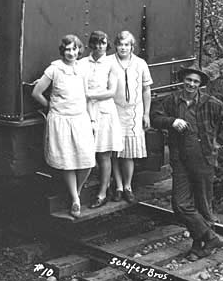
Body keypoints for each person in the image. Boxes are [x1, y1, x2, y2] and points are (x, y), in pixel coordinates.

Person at [151, 66, 223, 260]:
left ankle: (199, 247)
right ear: (183, 80)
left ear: (200, 85)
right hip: (181, 159)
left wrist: (219, 141)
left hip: (204, 158)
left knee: (203, 204)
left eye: (195, 82)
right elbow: (155, 117)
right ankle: (210, 237)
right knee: (180, 204)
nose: (191, 84)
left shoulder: (210, 102)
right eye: (189, 80)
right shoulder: (173, 100)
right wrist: (171, 121)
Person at [32, 34, 96, 219]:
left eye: (74, 49)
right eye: (67, 49)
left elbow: (87, 96)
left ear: (79, 50)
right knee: (68, 161)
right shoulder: (54, 69)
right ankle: (75, 199)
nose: (71, 53)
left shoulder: (83, 69)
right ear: (63, 51)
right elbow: (37, 92)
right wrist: (50, 106)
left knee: (87, 160)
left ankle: (76, 189)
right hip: (61, 120)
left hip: (80, 119)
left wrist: (92, 120)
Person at [80, 30, 122, 208]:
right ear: (90, 44)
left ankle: (102, 193)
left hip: (104, 111)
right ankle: (78, 192)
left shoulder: (112, 64)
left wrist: (91, 95)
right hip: (84, 111)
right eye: (96, 43)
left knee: (104, 154)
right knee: (84, 153)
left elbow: (112, 91)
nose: (99, 47)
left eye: (103, 43)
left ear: (107, 45)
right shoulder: (81, 63)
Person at [109, 30, 152, 204]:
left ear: (132, 46)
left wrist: (146, 113)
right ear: (116, 46)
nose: (123, 48)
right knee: (114, 152)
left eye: (127, 45)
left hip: (134, 113)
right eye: (120, 44)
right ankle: (118, 186)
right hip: (113, 112)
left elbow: (146, 90)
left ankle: (128, 186)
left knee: (128, 153)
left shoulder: (140, 64)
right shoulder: (109, 62)